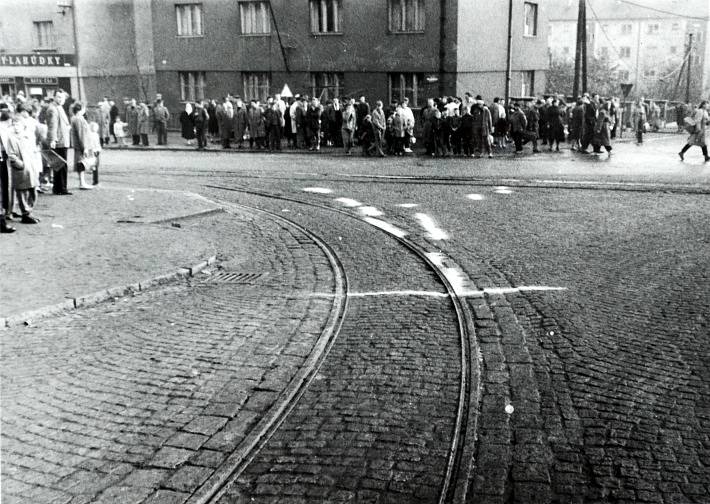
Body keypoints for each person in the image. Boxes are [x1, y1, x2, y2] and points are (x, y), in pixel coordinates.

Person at [5, 111, 41, 223]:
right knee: (22, 192)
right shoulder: (10, 138)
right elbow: (11, 155)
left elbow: (33, 150)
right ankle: (25, 213)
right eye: (14, 125)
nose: (16, 127)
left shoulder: (28, 136)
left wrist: (35, 161)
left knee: (33, 190)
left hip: (31, 168)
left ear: (23, 125)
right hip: (20, 169)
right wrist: (19, 164)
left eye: (18, 125)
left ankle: (29, 210)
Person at [46, 91, 72, 195]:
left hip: (62, 139)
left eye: (62, 97)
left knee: (59, 165)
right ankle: (61, 188)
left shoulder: (58, 107)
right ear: (54, 97)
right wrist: (53, 139)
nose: (60, 99)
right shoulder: (53, 108)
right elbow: (53, 125)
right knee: (61, 165)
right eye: (58, 97)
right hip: (59, 141)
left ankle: (58, 188)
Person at [69, 101, 93, 190]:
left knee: (80, 163)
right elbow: (81, 134)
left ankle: (82, 182)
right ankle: (82, 183)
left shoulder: (75, 118)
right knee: (81, 164)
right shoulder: (79, 119)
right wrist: (85, 147)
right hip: (81, 146)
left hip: (78, 145)